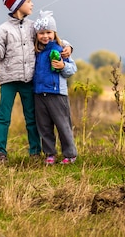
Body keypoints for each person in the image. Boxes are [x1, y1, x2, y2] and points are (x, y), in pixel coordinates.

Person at [0, 0, 72, 163]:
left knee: (32, 118)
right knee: (3, 116)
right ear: (18, 4)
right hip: (9, 80)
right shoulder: (4, 29)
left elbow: (50, 37)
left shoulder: (33, 26)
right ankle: (0, 152)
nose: (32, 4)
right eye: (28, 1)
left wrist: (68, 47)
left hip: (29, 80)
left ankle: (35, 151)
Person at [32, 10, 78, 165]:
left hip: (57, 93)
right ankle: (49, 154)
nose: (45, 36)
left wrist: (63, 65)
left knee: (62, 124)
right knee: (44, 126)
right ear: (37, 35)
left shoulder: (61, 49)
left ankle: (70, 154)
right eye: (41, 33)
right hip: (39, 93)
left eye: (48, 32)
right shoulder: (36, 50)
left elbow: (72, 69)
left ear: (54, 32)